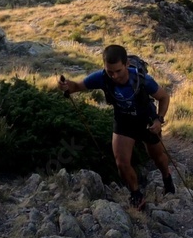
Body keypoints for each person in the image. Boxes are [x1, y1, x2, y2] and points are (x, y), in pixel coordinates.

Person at [58, 44, 173, 209]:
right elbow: (77, 86)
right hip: (123, 121)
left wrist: (158, 121)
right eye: (110, 71)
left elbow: (164, 97)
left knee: (157, 157)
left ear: (126, 64)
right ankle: (136, 195)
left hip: (146, 120)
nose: (114, 76)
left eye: (118, 71)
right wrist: (66, 85)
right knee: (121, 162)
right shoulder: (102, 77)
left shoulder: (142, 79)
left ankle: (167, 177)